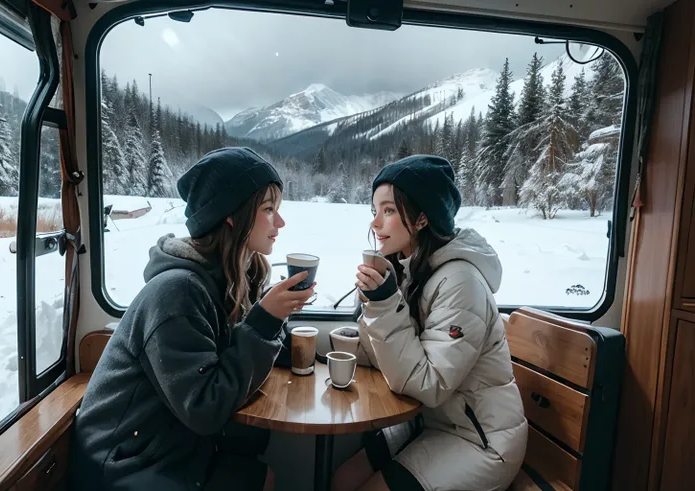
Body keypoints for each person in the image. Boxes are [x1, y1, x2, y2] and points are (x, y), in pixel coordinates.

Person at [69, 147, 315, 491]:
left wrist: (276, 317)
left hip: (171, 440)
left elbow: (235, 351)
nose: (280, 222)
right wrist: (265, 321)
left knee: (262, 470)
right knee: (260, 479)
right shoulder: (176, 292)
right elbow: (204, 408)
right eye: (269, 209)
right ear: (232, 215)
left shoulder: (239, 275)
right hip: (124, 461)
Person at [333, 155, 527, 491]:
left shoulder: (460, 282)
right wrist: (370, 306)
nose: (375, 224)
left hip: (479, 439)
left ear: (422, 218)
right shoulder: (411, 270)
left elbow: (430, 383)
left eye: (389, 211)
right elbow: (389, 362)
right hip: (432, 421)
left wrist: (384, 305)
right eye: (374, 212)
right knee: (342, 479)